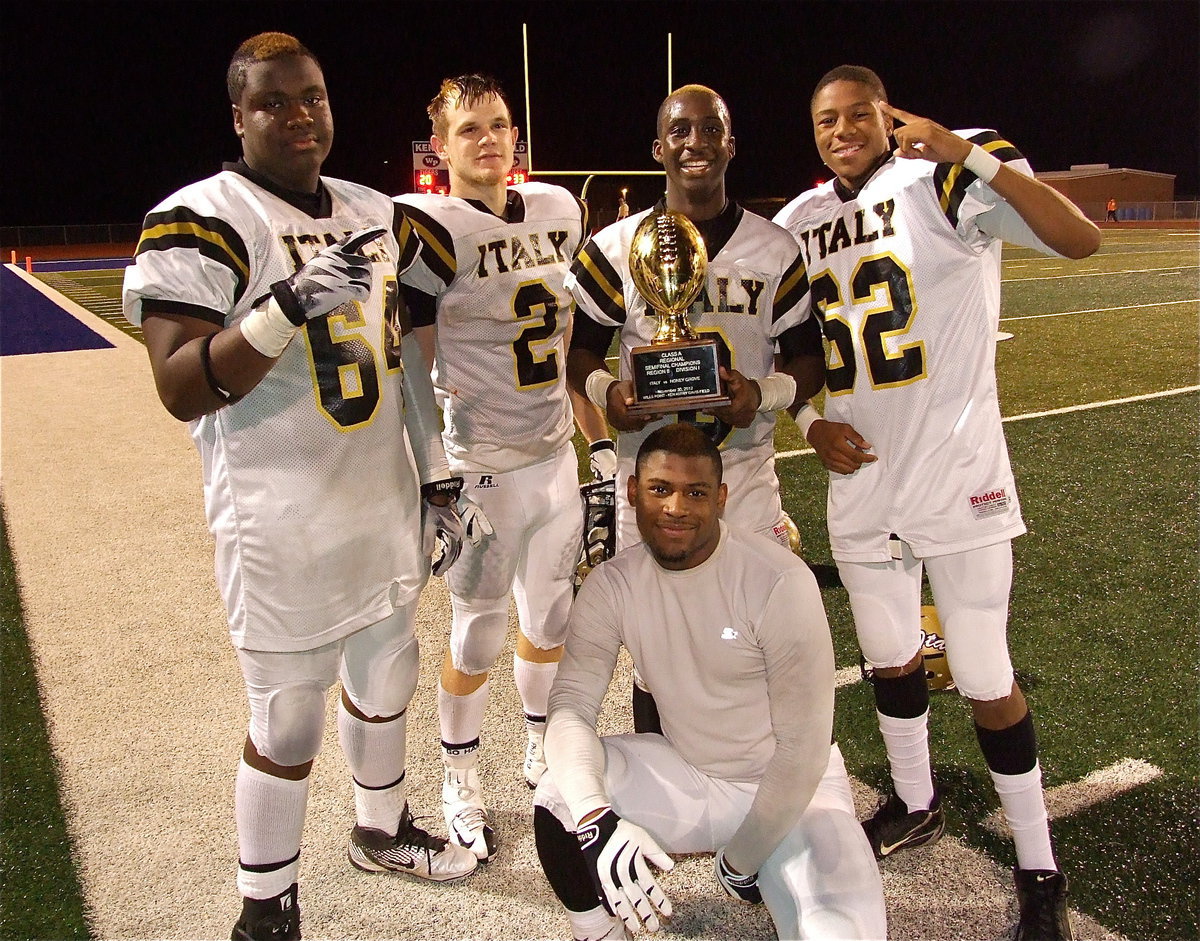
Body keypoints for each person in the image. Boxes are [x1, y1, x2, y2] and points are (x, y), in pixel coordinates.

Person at [121, 33, 479, 941]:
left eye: (312, 97)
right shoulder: (201, 216)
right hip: (278, 517)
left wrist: (437, 477)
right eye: (274, 102)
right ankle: (265, 906)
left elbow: (405, 356)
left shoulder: (371, 208)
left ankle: (380, 825)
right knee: (286, 722)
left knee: (386, 672)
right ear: (238, 116)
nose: (300, 115)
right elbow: (180, 385)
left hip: (379, 496)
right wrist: (281, 309)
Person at [773, 65, 1101, 941]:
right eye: (823, 119)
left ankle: (1039, 865)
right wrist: (806, 421)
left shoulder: (943, 173)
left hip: (958, 470)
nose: (840, 130)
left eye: (856, 115)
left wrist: (971, 155)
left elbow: (1081, 241)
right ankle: (916, 802)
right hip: (862, 476)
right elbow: (788, 348)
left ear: (888, 114)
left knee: (986, 673)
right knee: (889, 657)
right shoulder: (800, 222)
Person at [532, 423, 886, 941]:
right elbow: (569, 707)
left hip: (795, 796)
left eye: (695, 492)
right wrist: (596, 818)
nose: (676, 507)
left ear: (721, 498)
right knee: (559, 792)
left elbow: (803, 752)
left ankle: (766, 869)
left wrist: (740, 863)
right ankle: (597, 932)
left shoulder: (778, 580)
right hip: (695, 775)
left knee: (843, 935)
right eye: (660, 489)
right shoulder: (613, 584)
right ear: (632, 491)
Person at [394, 74, 611, 863]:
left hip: (552, 456)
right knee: (477, 634)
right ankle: (460, 779)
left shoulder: (559, 207)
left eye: (499, 124)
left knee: (550, 622)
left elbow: (572, 339)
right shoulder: (428, 224)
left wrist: (597, 444)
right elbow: (413, 363)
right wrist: (434, 470)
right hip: (482, 465)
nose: (488, 140)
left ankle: (538, 748)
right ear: (442, 147)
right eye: (470, 130)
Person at [564, 85, 824, 728]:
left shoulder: (775, 250)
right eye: (679, 132)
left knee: (758, 639)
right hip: (652, 485)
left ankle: (754, 793)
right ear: (658, 148)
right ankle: (671, 805)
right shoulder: (615, 247)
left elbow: (808, 359)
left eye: (711, 129)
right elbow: (579, 356)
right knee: (659, 654)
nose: (695, 143)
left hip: (741, 477)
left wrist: (764, 395)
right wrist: (609, 395)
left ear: (731, 143)